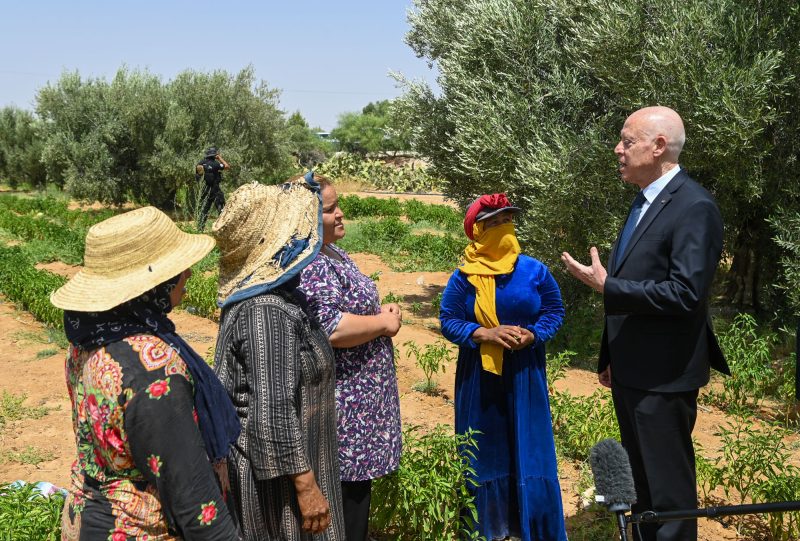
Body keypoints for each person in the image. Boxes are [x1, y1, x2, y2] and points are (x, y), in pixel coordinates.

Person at [561, 106, 730, 541]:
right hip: (634, 371)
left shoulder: (694, 206)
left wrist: (608, 287)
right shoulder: (644, 201)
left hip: (665, 377)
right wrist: (613, 355)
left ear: (658, 147)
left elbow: (686, 294)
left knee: (669, 497)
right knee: (640, 488)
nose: (618, 150)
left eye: (627, 141)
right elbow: (638, 280)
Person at [51, 206, 241, 540]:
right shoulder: (153, 368)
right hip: (140, 528)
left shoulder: (89, 341)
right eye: (180, 269)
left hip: (90, 516)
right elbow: (191, 492)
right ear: (157, 283)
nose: (189, 274)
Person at [211, 178, 345, 541]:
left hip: (288, 471)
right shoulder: (267, 311)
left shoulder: (277, 298)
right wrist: (305, 487)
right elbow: (273, 412)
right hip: (277, 487)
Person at [439, 193, 567, 541]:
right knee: (485, 449)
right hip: (480, 377)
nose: (503, 228)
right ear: (476, 231)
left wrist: (534, 334)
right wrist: (483, 333)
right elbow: (448, 319)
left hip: (526, 373)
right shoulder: (464, 276)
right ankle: (487, 528)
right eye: (493, 223)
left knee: (530, 445)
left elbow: (554, 312)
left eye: (506, 221)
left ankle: (533, 527)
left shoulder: (534, 270)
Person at [297, 173, 402, 541]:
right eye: (330, 209)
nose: (340, 214)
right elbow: (332, 328)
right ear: (306, 218)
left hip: (358, 407)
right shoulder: (310, 264)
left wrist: (377, 314)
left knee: (355, 501)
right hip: (343, 408)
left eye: (338, 205)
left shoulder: (329, 251)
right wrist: (383, 324)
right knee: (344, 505)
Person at [196, 146, 230, 230]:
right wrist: (219, 158)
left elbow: (197, 176)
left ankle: (200, 229)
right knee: (221, 208)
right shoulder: (215, 164)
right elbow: (227, 166)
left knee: (204, 210)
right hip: (215, 190)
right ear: (215, 155)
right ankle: (222, 228)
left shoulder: (200, 163)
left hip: (205, 190)